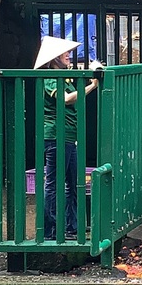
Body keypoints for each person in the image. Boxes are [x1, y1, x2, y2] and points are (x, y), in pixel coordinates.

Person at [34, 36, 100, 240]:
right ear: (54, 58)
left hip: (70, 135)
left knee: (74, 182)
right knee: (54, 183)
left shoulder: (64, 76)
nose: (69, 56)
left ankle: (71, 226)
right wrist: (93, 86)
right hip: (56, 135)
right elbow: (66, 99)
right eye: (66, 53)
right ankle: (51, 230)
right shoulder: (51, 77)